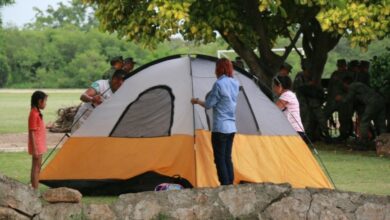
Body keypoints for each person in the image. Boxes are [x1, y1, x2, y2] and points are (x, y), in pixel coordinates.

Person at [191, 58, 239, 185]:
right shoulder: (235, 83)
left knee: (219, 159)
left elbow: (208, 104)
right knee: (227, 157)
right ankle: (231, 184)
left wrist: (196, 101)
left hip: (220, 127)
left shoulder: (218, 84)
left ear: (219, 69)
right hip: (232, 127)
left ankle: (225, 185)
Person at [336, 76, 387, 149]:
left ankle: (364, 142)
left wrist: (341, 98)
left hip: (372, 102)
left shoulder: (353, 86)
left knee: (364, 122)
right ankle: (385, 142)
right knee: (381, 124)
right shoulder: (360, 85)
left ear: (346, 83)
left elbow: (348, 99)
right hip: (380, 100)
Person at [272, 75, 308, 143]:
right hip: (292, 130)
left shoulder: (287, 95)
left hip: (294, 130)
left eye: (274, 86)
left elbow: (274, 110)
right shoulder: (289, 94)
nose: (273, 89)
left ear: (280, 86)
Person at [28, 91, 48, 189]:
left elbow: (38, 127)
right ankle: (35, 190)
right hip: (37, 145)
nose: (45, 104)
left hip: (40, 145)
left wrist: (47, 126)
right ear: (39, 101)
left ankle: (34, 189)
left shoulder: (36, 113)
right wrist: (35, 149)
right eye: (45, 101)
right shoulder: (33, 114)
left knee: (37, 168)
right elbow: (32, 132)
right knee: (36, 169)